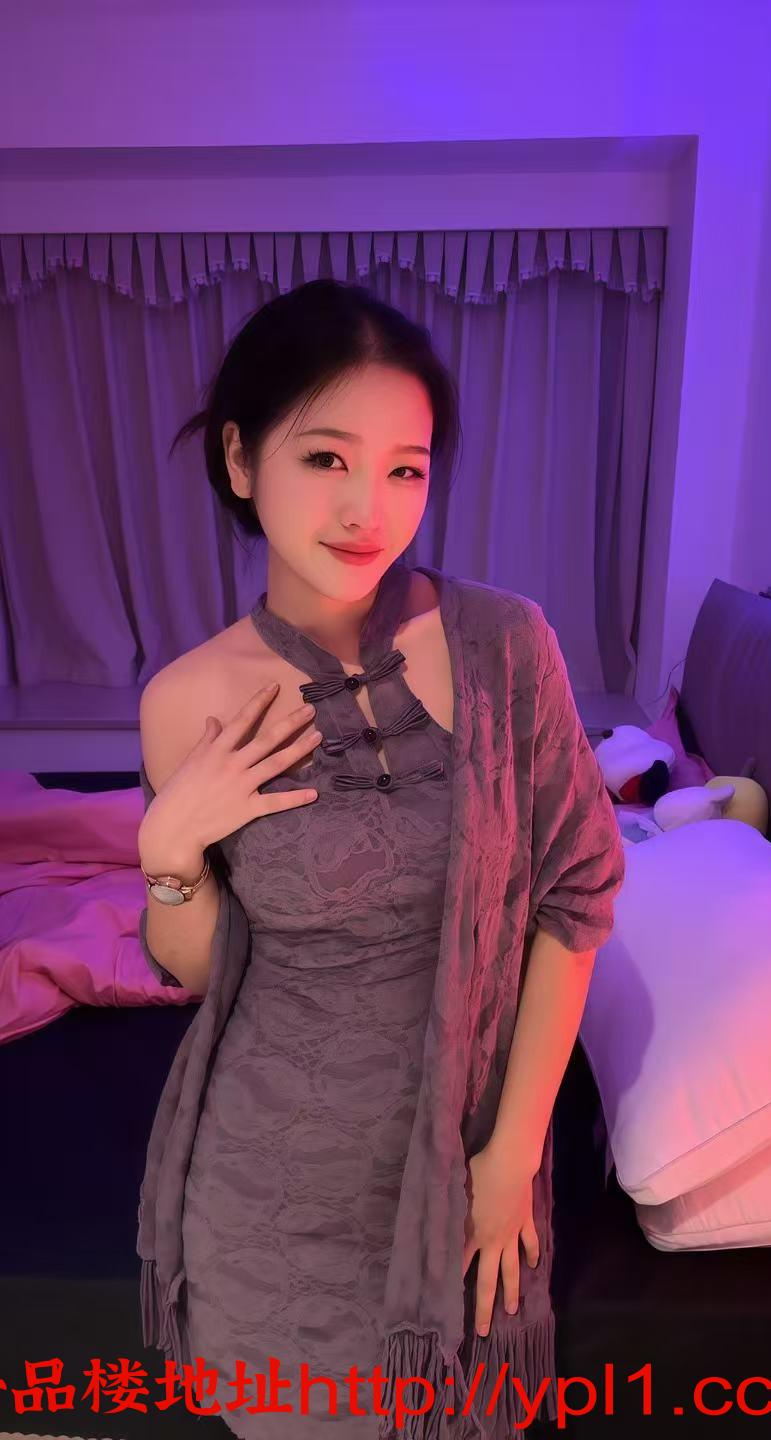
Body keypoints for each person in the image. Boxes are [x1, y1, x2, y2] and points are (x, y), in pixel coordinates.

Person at [136, 277, 625, 1437]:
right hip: (264, 1187)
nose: (370, 508)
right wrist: (169, 850)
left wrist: (509, 1156)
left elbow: (576, 899)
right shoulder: (186, 699)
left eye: (406, 469)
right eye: (327, 459)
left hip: (463, 1164)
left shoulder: (506, 644)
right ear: (241, 460)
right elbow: (203, 970)